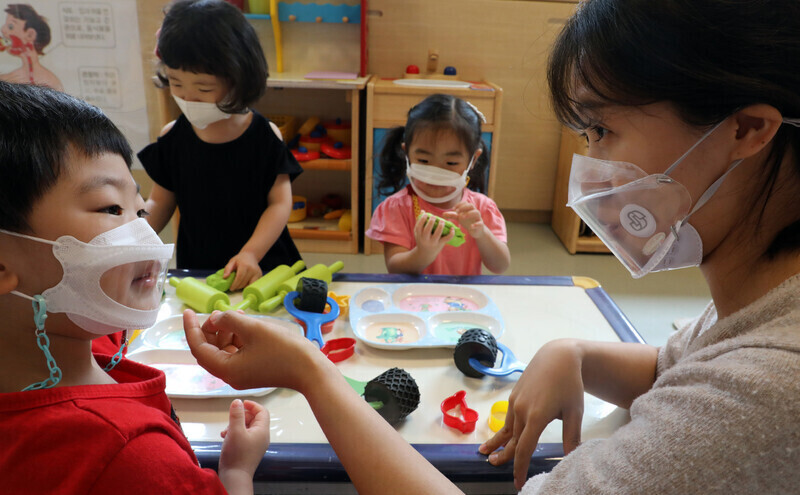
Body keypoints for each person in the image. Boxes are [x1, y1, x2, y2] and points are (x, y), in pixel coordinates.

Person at [185, 0, 800, 493]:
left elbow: (712, 393)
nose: (589, 165)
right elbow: (675, 370)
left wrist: (308, 371)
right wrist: (575, 351)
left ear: (746, 129)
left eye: (603, 130)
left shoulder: (765, 395)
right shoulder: (757, 306)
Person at [0, 81, 269, 495]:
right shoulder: (130, 456)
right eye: (111, 208)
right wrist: (235, 475)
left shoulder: (80, 339)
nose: (144, 234)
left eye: (140, 210)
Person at [139, 0, 303, 291]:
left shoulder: (265, 137)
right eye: (176, 84)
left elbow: (280, 203)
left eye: (203, 89)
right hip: (201, 270)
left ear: (238, 80)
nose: (188, 98)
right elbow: (159, 203)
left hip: (264, 267)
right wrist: (132, 237)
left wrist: (251, 253)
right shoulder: (173, 138)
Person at [365, 93, 510, 275]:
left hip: (462, 301)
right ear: (407, 154)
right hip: (413, 299)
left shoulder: (482, 208)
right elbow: (395, 268)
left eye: (451, 163)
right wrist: (424, 253)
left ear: (473, 160)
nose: (435, 173)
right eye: (424, 160)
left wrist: (482, 233)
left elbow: (501, 266)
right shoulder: (396, 208)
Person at [0, 3, 63, 90]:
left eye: (11, 26)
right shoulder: (5, 79)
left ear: (30, 35)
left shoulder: (52, 83)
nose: (3, 30)